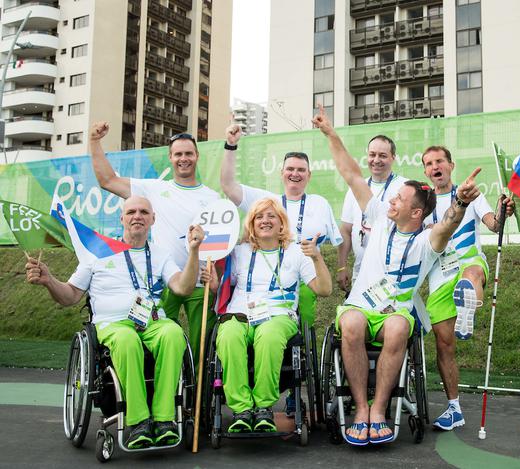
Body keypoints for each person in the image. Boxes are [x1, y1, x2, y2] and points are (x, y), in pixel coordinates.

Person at [313, 105, 480, 445]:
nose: (391, 200)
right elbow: (351, 174)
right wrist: (331, 134)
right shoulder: (379, 215)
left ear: (416, 211)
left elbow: (448, 223)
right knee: (353, 324)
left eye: (399, 198)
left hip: (397, 311)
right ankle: (361, 409)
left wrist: (460, 203)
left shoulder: (426, 240)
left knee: (398, 326)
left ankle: (378, 410)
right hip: (361, 304)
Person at [25, 196, 204, 449]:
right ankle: (139, 421)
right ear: (122, 219)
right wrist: (49, 280)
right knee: (126, 340)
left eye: (144, 212)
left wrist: (194, 251)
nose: (137, 216)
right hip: (114, 325)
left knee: (174, 333)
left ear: (152, 219)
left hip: (153, 322)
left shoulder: (161, 255)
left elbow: (183, 287)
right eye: (131, 211)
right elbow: (70, 296)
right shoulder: (96, 253)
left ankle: (165, 420)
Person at [88, 123, 220, 365]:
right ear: (170, 158)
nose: (183, 158)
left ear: (197, 156)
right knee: (161, 343)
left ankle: (197, 400)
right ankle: (169, 393)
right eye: (178, 154)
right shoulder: (154, 188)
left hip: (200, 281)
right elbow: (107, 180)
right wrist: (95, 142)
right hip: (161, 282)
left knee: (203, 350)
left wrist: (217, 278)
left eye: (188, 153)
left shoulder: (212, 197)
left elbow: (222, 243)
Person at [215, 197, 332, 433]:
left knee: (268, 335)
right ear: (251, 223)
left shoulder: (296, 252)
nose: (265, 220)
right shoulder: (239, 252)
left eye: (271, 216)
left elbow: (325, 289)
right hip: (240, 314)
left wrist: (317, 257)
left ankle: (263, 407)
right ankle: (241, 408)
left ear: (281, 224)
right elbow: (219, 288)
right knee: (227, 334)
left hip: (279, 317)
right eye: (259, 216)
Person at [421, 145, 515, 430]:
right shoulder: (423, 203)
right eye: (429, 163)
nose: (435, 166)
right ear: (425, 170)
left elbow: (494, 225)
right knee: (444, 345)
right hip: (438, 276)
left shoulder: (471, 193)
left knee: (472, 273)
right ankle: (454, 409)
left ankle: (468, 306)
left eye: (440, 161)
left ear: (451, 165)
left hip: (468, 261)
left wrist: (503, 211)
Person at [220, 123, 342, 328]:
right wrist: (231, 146)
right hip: (265, 271)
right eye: (290, 169)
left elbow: (337, 241)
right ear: (282, 173)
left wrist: (341, 267)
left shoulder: (320, 203)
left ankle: (300, 352)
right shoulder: (266, 200)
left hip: (306, 273)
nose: (295, 173)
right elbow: (228, 186)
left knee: (299, 327)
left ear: (309, 175)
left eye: (301, 170)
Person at [337, 135, 407, 293]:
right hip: (360, 271)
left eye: (383, 156)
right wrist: (341, 266)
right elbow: (346, 230)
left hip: (391, 274)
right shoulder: (355, 188)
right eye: (372, 154)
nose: (376, 160)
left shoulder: (404, 187)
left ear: (393, 158)